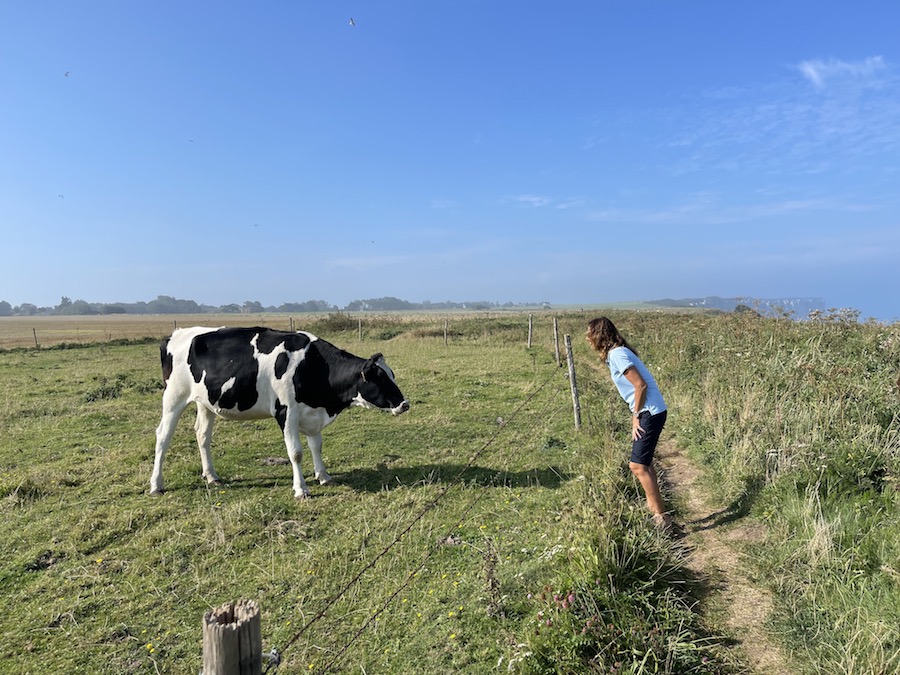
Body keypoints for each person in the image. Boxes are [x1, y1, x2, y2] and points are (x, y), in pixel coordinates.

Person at [586, 317, 679, 534]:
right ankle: (658, 512)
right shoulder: (618, 353)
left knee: (637, 466)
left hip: (650, 412)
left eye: (589, 333)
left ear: (599, 335)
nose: (587, 338)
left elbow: (640, 384)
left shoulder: (617, 354)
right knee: (644, 464)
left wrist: (635, 415)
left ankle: (660, 519)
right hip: (653, 410)